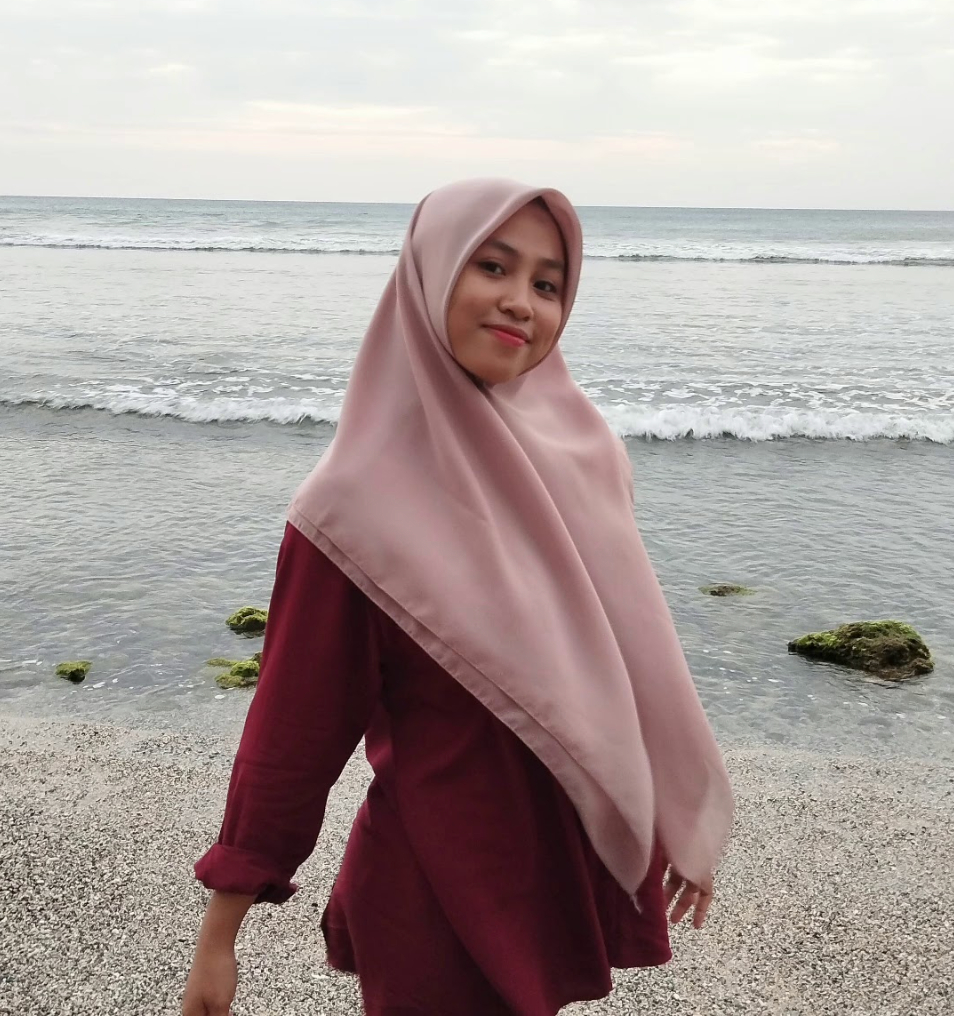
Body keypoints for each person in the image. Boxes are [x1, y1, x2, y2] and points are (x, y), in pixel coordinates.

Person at [181, 178, 734, 1016]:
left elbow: (631, 658)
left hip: (556, 862)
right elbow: (293, 730)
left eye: (549, 284)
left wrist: (674, 812)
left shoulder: (583, 457)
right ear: (430, 275)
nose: (522, 303)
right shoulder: (353, 507)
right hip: (436, 882)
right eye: (492, 266)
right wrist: (220, 932)